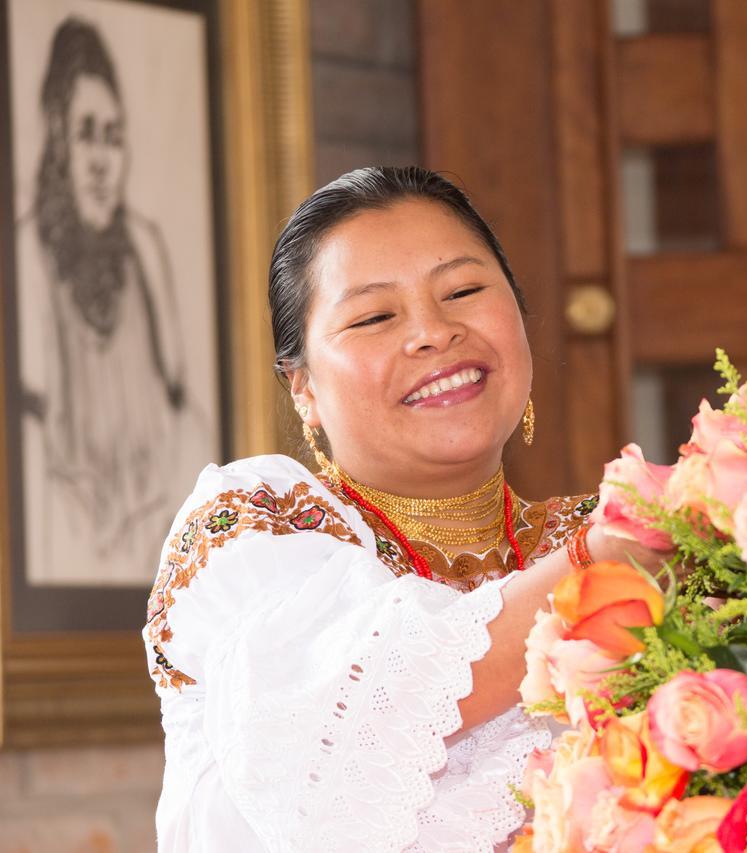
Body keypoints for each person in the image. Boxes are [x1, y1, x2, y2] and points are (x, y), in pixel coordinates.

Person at [143, 167, 670, 851]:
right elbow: (374, 712)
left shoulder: (595, 532)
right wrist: (609, 559)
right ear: (302, 388)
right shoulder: (254, 524)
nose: (432, 332)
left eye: (464, 291)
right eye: (374, 317)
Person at [18, 16, 200, 584]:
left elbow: (185, 422)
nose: (102, 160)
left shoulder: (144, 248)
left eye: (115, 137)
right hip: (74, 555)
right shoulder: (29, 253)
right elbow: (35, 457)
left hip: (163, 548)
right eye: (86, 133)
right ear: (58, 144)